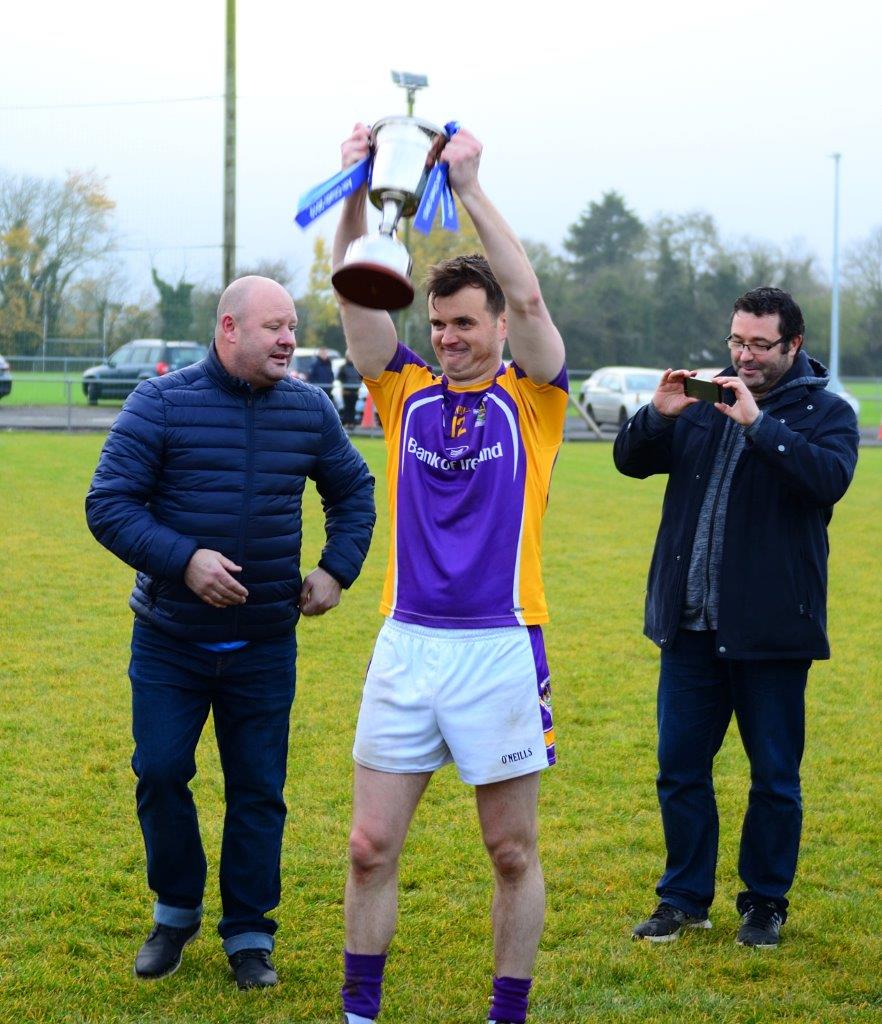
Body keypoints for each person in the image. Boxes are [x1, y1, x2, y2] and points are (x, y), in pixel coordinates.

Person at [333, 124, 567, 1024]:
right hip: (408, 647)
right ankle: (361, 1012)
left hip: (502, 649)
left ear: (498, 325)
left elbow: (534, 295)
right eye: (438, 325)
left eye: (466, 323)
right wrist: (359, 186)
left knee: (510, 852)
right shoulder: (403, 391)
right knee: (366, 845)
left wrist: (466, 184)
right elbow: (357, 295)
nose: (450, 338)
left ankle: (506, 1014)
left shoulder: (533, 398)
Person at [85, 275, 375, 988]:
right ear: (228, 329)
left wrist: (337, 569)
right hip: (170, 642)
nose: (289, 339)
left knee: (257, 791)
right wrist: (184, 561)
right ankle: (175, 910)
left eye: (294, 327)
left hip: (265, 644)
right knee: (159, 773)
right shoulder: (160, 402)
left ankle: (250, 934)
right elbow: (108, 504)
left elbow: (355, 490)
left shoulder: (309, 411)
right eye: (275, 326)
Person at [614, 286, 859, 948]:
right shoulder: (703, 403)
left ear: (793, 346)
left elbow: (826, 480)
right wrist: (657, 416)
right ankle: (684, 898)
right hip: (690, 627)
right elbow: (630, 462)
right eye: (736, 341)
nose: (744, 355)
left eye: (759, 344)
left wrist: (759, 424)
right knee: (680, 768)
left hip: (773, 631)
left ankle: (765, 904)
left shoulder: (827, 414)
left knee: (774, 777)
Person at [336, 349, 363, 428]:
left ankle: (352, 423)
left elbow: (361, 378)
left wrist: (358, 385)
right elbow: (340, 378)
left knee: (353, 407)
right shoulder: (343, 367)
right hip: (346, 391)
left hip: (355, 391)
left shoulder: (357, 367)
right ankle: (346, 423)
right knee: (347, 407)